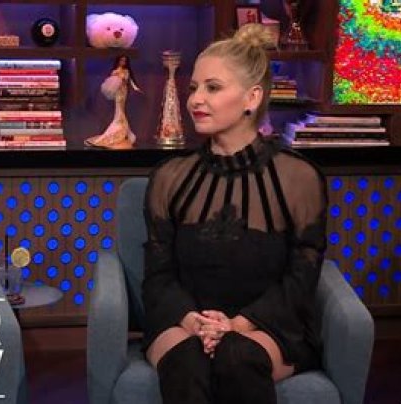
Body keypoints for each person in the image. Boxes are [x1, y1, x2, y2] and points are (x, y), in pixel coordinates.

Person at [142, 23, 327, 404]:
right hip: (184, 321)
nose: (196, 99)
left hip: (269, 326)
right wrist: (193, 321)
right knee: (188, 361)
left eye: (212, 88)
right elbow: (158, 277)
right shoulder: (169, 177)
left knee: (236, 357)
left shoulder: (298, 178)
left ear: (252, 97)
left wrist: (237, 326)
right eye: (194, 87)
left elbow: (300, 280)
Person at [84, 54, 141, 149]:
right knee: (120, 112)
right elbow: (111, 82)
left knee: (122, 111)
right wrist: (117, 79)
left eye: (124, 61)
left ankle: (125, 133)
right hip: (118, 93)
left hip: (124, 92)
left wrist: (136, 89)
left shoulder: (126, 71)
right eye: (121, 60)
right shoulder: (115, 71)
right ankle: (120, 132)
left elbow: (131, 81)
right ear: (118, 61)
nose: (123, 62)